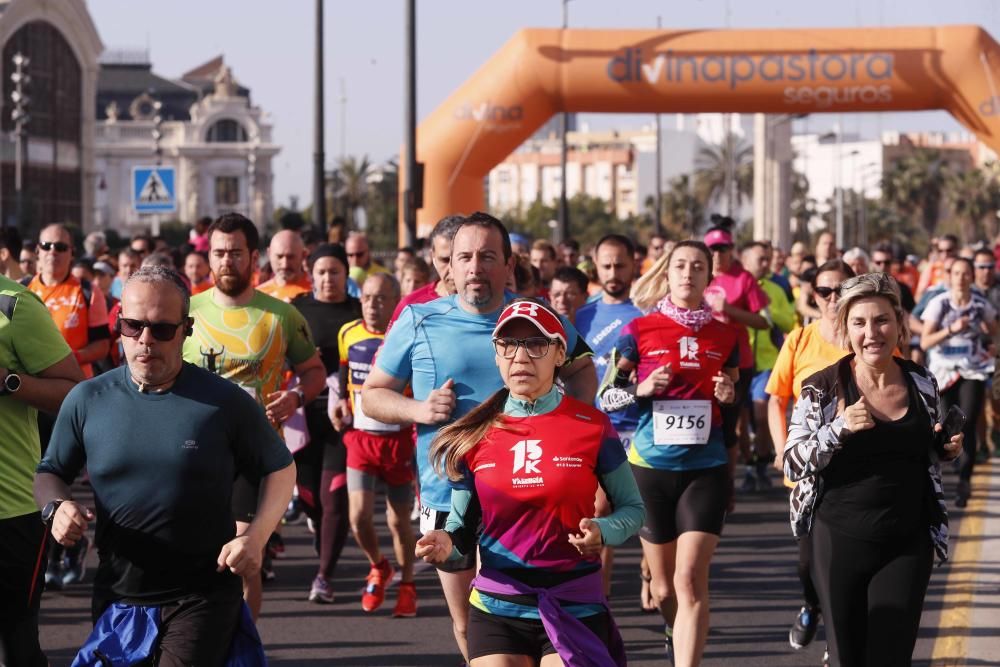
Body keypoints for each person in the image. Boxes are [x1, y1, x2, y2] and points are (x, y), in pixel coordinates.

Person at [362, 212, 596, 662]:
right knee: (468, 623)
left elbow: (582, 369)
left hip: (525, 494)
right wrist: (419, 408)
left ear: (509, 266)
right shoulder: (417, 320)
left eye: (487, 256)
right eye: (464, 256)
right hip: (447, 494)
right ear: (447, 265)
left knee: (520, 619)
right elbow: (373, 395)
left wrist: (573, 428)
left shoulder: (535, 317)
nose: (474, 267)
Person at [35, 265, 295, 666]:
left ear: (186, 329)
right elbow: (50, 471)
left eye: (161, 329)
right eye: (132, 326)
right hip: (117, 594)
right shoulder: (88, 399)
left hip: (201, 594)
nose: (145, 340)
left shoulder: (223, 402)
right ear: (118, 323)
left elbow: (280, 467)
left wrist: (256, 538)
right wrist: (56, 509)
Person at [416, 299, 644, 667]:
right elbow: (460, 531)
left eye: (536, 344)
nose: (520, 357)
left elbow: (633, 510)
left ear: (559, 354)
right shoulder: (474, 434)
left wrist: (603, 531)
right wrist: (447, 547)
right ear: (496, 356)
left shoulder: (592, 425)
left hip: (575, 602)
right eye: (508, 345)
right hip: (496, 605)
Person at [783, 272, 963, 667]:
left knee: (891, 657)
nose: (872, 333)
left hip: (907, 540)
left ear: (899, 324)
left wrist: (943, 449)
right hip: (839, 541)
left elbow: (923, 451)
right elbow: (792, 461)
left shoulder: (921, 380)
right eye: (859, 323)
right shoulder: (824, 387)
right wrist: (838, 428)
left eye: (882, 320)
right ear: (846, 329)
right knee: (849, 657)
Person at [599, 240, 739, 665]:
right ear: (667, 272)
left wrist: (729, 393)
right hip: (650, 470)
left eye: (698, 266)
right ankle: (671, 627)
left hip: (706, 469)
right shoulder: (639, 331)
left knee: (690, 580)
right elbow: (607, 398)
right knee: (663, 590)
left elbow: (732, 398)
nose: (688, 273)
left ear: (708, 277)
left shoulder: (726, 334)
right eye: (680, 265)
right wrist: (640, 389)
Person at [182, 213, 326, 620]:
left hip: (253, 456)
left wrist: (295, 397)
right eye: (219, 253)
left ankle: (241, 646)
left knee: (245, 559)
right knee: (197, 560)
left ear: (254, 257)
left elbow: (313, 372)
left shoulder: (281, 315)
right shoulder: (187, 313)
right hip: (193, 454)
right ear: (208, 257)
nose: (227, 261)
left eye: (236, 253)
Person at [766, 259, 854, 653]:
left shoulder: (867, 336)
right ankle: (811, 603)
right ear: (813, 296)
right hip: (807, 470)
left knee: (847, 561)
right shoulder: (799, 340)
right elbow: (776, 399)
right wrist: (781, 446)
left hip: (856, 469)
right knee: (808, 561)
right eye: (825, 291)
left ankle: (836, 643)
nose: (833, 299)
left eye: (841, 290)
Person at [0, 274, 83, 666]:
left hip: (11, 510)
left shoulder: (14, 305)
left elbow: (73, 390)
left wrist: (8, 382)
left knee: (17, 648)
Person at [335, 273, 418, 616]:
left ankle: (408, 585)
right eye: (367, 298)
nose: (372, 305)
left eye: (381, 298)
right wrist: (341, 401)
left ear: (396, 300)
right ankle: (379, 565)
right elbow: (344, 374)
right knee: (358, 517)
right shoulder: (347, 333)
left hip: (398, 440)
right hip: (361, 439)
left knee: (399, 522)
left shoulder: (407, 335)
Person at [288, 243, 361, 604]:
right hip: (302, 417)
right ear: (311, 274)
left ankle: (324, 576)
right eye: (321, 272)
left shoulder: (357, 312)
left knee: (334, 499)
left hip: (342, 420)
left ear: (346, 275)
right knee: (310, 499)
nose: (328, 278)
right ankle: (322, 541)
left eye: (335, 272)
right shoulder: (297, 310)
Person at [575, 234, 643, 597]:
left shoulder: (645, 315)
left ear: (634, 265)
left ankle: (651, 570)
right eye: (607, 266)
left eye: (621, 265)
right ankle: (598, 604)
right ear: (595, 266)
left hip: (643, 429)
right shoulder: (582, 315)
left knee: (647, 519)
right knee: (601, 513)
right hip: (599, 431)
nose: (614, 273)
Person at [920, 257, 997, 507]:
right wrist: (951, 330)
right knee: (945, 426)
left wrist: (989, 340)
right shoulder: (939, 304)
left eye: (966, 274)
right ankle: (946, 471)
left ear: (972, 277)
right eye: (956, 274)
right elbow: (925, 342)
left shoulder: (980, 305)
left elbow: (994, 331)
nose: (961, 279)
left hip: (972, 370)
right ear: (949, 277)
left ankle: (965, 480)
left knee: (968, 421)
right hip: (944, 371)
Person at [703, 218, 769, 478]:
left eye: (723, 248)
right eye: (713, 248)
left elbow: (763, 321)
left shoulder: (744, 279)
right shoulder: (698, 274)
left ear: (732, 249)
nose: (718, 254)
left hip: (736, 362)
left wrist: (729, 310)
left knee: (733, 425)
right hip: (702, 360)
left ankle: (729, 484)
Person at [740, 242, 796, 492]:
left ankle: (761, 465)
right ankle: (749, 467)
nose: (767, 264)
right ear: (745, 260)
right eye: (761, 259)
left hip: (766, 363)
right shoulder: (732, 288)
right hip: (738, 365)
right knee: (741, 422)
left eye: (768, 259)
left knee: (761, 414)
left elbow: (788, 321)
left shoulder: (775, 289)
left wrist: (768, 311)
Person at [388, 215, 463, 330]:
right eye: (445, 260)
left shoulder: (496, 303)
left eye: (462, 258)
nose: (452, 270)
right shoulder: (410, 305)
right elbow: (389, 347)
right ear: (432, 255)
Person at [258, 229, 311, 302]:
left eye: (291, 257)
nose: (285, 265)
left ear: (303, 255)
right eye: (279, 257)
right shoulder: (259, 296)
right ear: (269, 254)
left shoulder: (317, 292)